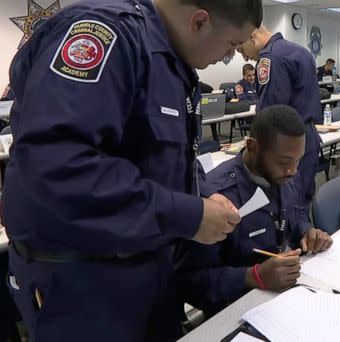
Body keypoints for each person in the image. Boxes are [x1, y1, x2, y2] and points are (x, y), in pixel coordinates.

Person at [3, 0, 262, 340]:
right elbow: (60, 169)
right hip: (85, 283)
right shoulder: (105, 36)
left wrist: (199, 193)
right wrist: (188, 214)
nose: (230, 57)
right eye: (230, 45)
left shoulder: (172, 62)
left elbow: (160, 155)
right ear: (199, 21)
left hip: (147, 268)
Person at [176, 105, 332, 315]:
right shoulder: (217, 198)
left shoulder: (286, 174)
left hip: (286, 297)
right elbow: (189, 283)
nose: (294, 171)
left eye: (298, 160)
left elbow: (293, 216)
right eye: (285, 161)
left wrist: (307, 231)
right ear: (252, 147)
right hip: (237, 309)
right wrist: (253, 276)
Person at [237, 25, 322, 231]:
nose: (245, 58)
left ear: (252, 36)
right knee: (301, 202)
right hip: (306, 137)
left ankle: (291, 252)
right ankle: (303, 244)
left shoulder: (270, 58)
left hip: (284, 145)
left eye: (241, 50)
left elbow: (270, 115)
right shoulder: (300, 51)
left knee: (286, 205)